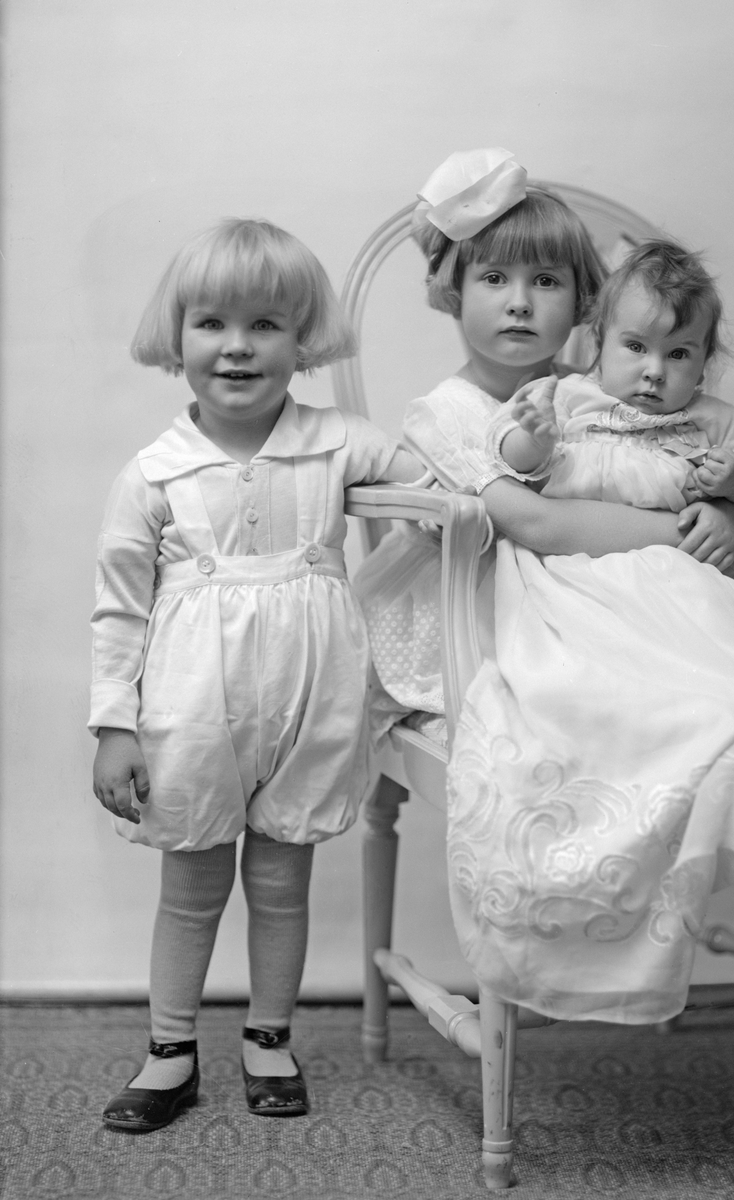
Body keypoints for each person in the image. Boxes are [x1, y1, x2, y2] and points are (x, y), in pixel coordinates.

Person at [356, 150, 734, 1024]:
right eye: (493, 278)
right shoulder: (459, 411)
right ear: (452, 288)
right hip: (492, 612)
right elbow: (538, 522)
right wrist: (686, 530)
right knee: (636, 685)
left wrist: (727, 507)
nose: (519, 302)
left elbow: (702, 455)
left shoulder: (604, 390)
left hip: (637, 598)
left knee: (716, 662)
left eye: (546, 281)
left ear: (583, 306)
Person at [91, 218, 424, 1132]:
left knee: (281, 883)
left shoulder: (340, 442)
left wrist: (515, 460)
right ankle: (170, 1051)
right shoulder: (153, 474)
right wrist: (113, 724)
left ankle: (268, 1038)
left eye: (265, 324)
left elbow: (436, 488)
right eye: (213, 323)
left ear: (302, 338)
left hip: (311, 704)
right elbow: (117, 610)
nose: (237, 346)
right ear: (177, 335)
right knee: (192, 887)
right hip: (192, 713)